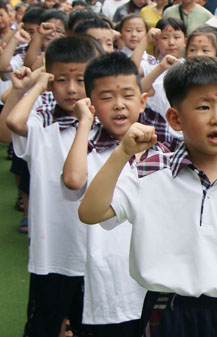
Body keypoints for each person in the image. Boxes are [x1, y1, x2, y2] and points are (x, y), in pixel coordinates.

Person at [77, 55, 217, 337]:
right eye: (203, 107)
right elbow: (91, 213)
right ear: (175, 119)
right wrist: (122, 153)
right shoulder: (150, 172)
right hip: (165, 311)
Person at [1, 36, 98, 337]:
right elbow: (11, 125)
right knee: (43, 324)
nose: (70, 89)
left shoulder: (107, 126)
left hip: (95, 251)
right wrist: (33, 85)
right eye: (60, 80)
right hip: (51, 252)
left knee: (91, 326)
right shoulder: (43, 126)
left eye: (81, 79)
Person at [61, 52, 153, 337]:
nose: (118, 105)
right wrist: (84, 122)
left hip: (150, 275)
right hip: (107, 277)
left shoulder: (160, 150)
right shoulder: (86, 147)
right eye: (106, 98)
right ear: (90, 104)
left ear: (142, 100)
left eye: (127, 95)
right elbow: (74, 181)